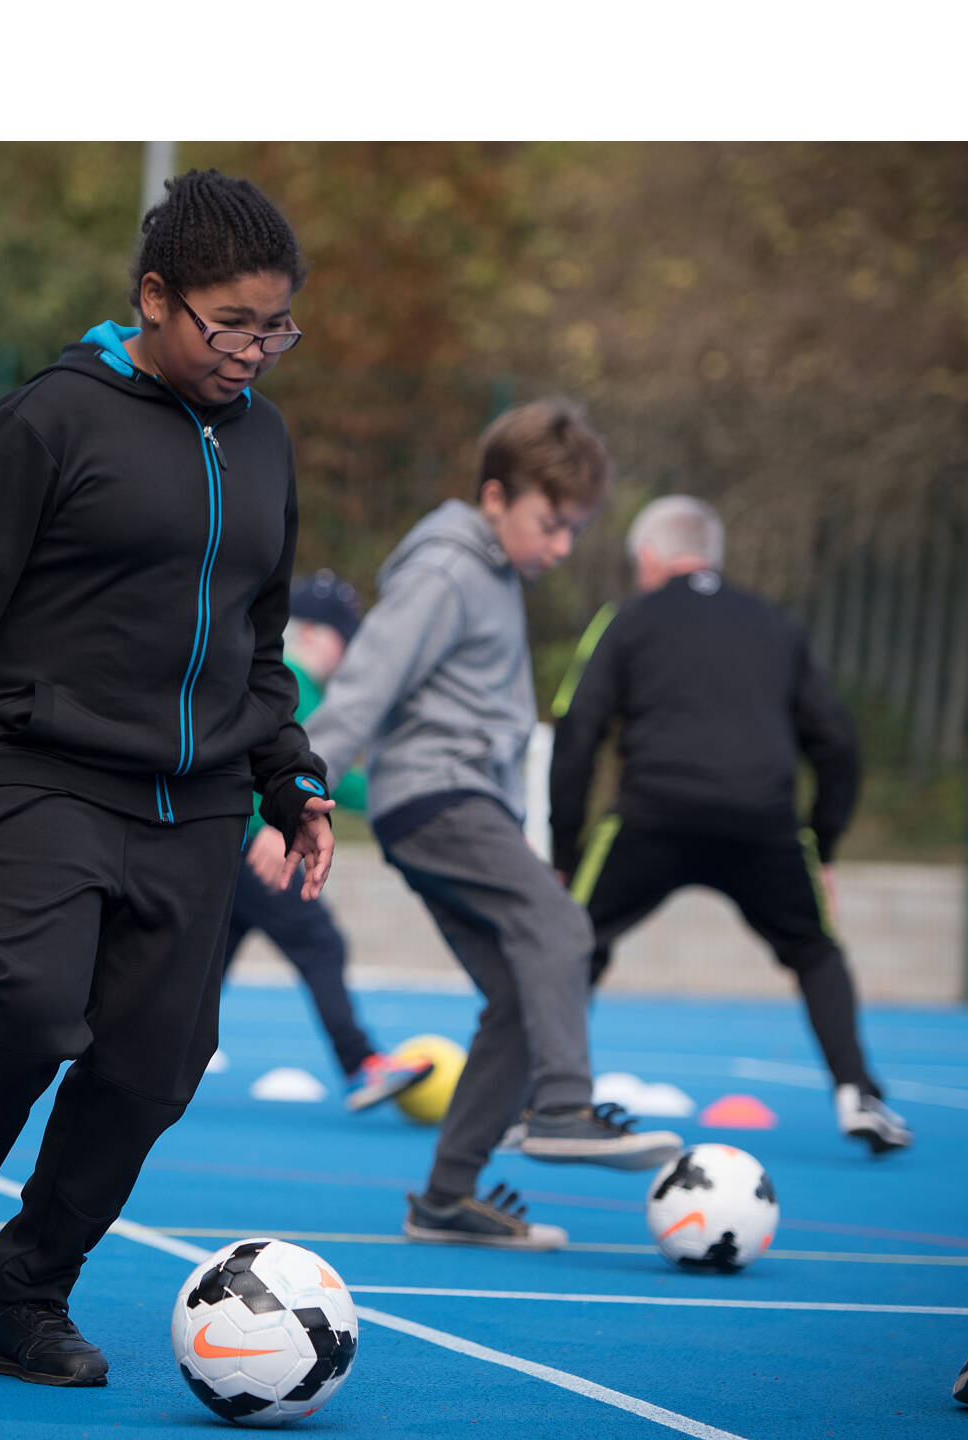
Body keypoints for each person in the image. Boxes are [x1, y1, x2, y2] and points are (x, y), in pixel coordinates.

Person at [0, 170, 335, 1388]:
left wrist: (290, 777)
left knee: (156, 1062)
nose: (255, 354)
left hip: (199, 799)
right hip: (42, 771)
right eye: (232, 325)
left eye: (277, 329)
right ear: (156, 298)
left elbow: (255, 639)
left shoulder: (265, 441)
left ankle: (25, 1296)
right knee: (27, 1004)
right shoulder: (50, 420)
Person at [305, 399, 683, 1253]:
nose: (560, 546)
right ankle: (560, 1108)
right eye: (550, 524)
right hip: (437, 798)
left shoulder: (495, 573)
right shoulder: (446, 571)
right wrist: (296, 793)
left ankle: (445, 1197)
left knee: (520, 988)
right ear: (494, 496)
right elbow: (365, 684)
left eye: (575, 530)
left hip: (457, 805)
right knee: (561, 930)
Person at [548, 494, 911, 1155]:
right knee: (814, 950)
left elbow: (577, 731)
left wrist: (563, 850)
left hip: (652, 815)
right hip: (763, 823)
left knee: (573, 941)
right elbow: (837, 743)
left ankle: (546, 1094)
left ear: (650, 558)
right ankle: (860, 1093)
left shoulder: (627, 619)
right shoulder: (776, 624)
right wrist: (821, 844)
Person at [224, 569, 433, 1110]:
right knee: (320, 942)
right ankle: (360, 1062)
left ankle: (128, 1047)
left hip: (232, 842)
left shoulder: (269, 677)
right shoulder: (293, 682)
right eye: (346, 639)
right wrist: (404, 789)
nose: (350, 656)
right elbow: (316, 774)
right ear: (313, 633)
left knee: (205, 968)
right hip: (260, 845)